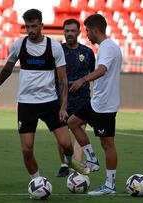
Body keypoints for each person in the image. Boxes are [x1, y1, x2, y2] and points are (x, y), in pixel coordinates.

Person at [0, 9, 86, 179]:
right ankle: (37, 181)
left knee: (66, 144)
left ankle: (69, 162)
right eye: (27, 27)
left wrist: (63, 107)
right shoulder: (19, 45)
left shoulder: (54, 46)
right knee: (27, 148)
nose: (30, 30)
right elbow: (7, 70)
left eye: (34, 26)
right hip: (26, 103)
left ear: (41, 26)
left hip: (50, 103)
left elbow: (63, 80)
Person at [68, 14, 122, 195]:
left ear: (95, 30)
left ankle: (110, 185)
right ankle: (92, 160)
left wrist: (83, 80)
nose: (86, 35)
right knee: (73, 122)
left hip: (105, 105)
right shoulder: (107, 47)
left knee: (108, 144)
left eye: (87, 31)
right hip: (97, 102)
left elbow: (102, 70)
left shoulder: (107, 47)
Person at [55, 18, 96, 177]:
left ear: (79, 32)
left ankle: (76, 168)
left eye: (73, 31)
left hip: (82, 99)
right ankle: (64, 164)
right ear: (64, 32)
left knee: (79, 131)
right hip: (60, 99)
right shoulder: (57, 50)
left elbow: (93, 74)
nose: (70, 34)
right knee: (61, 135)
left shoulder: (87, 52)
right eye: (67, 31)